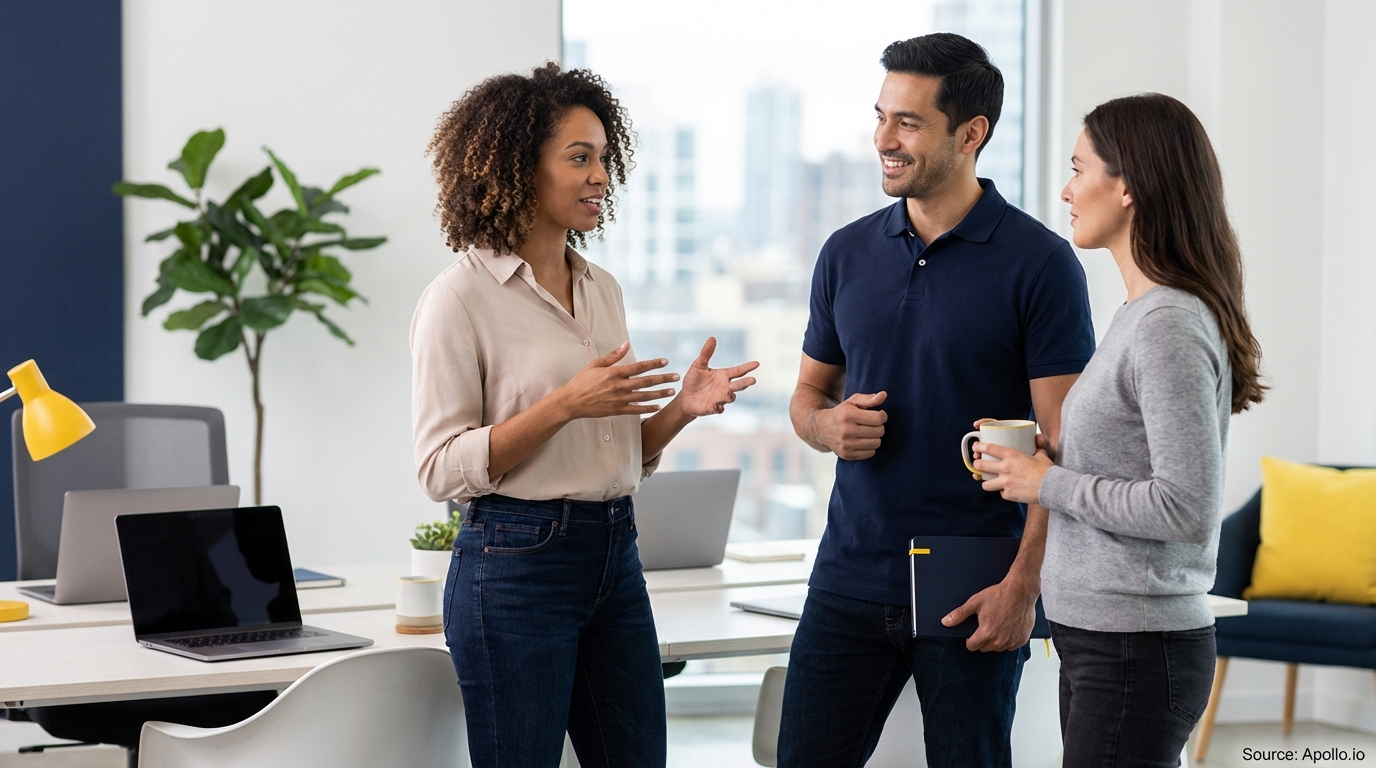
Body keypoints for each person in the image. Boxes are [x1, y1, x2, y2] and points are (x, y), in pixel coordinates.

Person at [411, 63, 758, 768]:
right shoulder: (460, 298)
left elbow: (614, 452)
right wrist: (564, 404)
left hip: (614, 556)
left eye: (603, 157)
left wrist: (682, 412)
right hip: (514, 565)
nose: (601, 175)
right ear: (518, 168)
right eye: (579, 158)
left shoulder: (601, 288)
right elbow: (440, 469)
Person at [780, 33, 1096, 766]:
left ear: (971, 133)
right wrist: (827, 427)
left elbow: (1065, 446)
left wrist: (1025, 586)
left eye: (909, 122)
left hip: (976, 581)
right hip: (848, 576)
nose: (884, 140)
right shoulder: (845, 252)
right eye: (882, 116)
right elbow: (806, 394)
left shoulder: (1041, 264)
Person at [973, 93, 1265, 764]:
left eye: (1079, 169)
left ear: (1128, 184)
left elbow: (1185, 506)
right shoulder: (1140, 314)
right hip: (1104, 638)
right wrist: (1048, 455)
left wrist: (1048, 482)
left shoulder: (1166, 324)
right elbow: (1130, 463)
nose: (1067, 189)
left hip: (1135, 647)